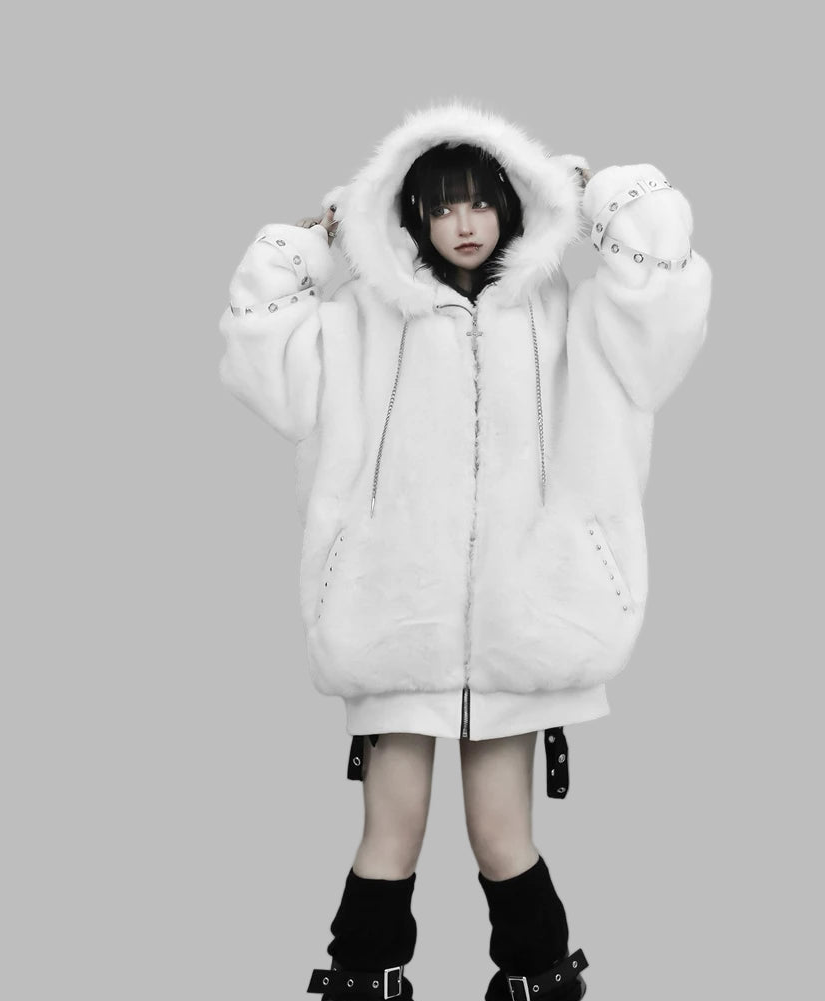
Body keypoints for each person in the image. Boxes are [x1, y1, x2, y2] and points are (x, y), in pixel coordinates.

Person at [218, 100, 712, 1001]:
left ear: (515, 205)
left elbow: (664, 293)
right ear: (410, 214)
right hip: (390, 628)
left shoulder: (570, 314)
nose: (465, 223)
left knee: (501, 835)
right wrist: (316, 240)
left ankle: (538, 981)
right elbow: (262, 352)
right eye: (442, 205)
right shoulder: (363, 318)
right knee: (390, 832)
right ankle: (364, 981)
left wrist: (596, 196)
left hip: (529, 630)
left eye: (482, 200)